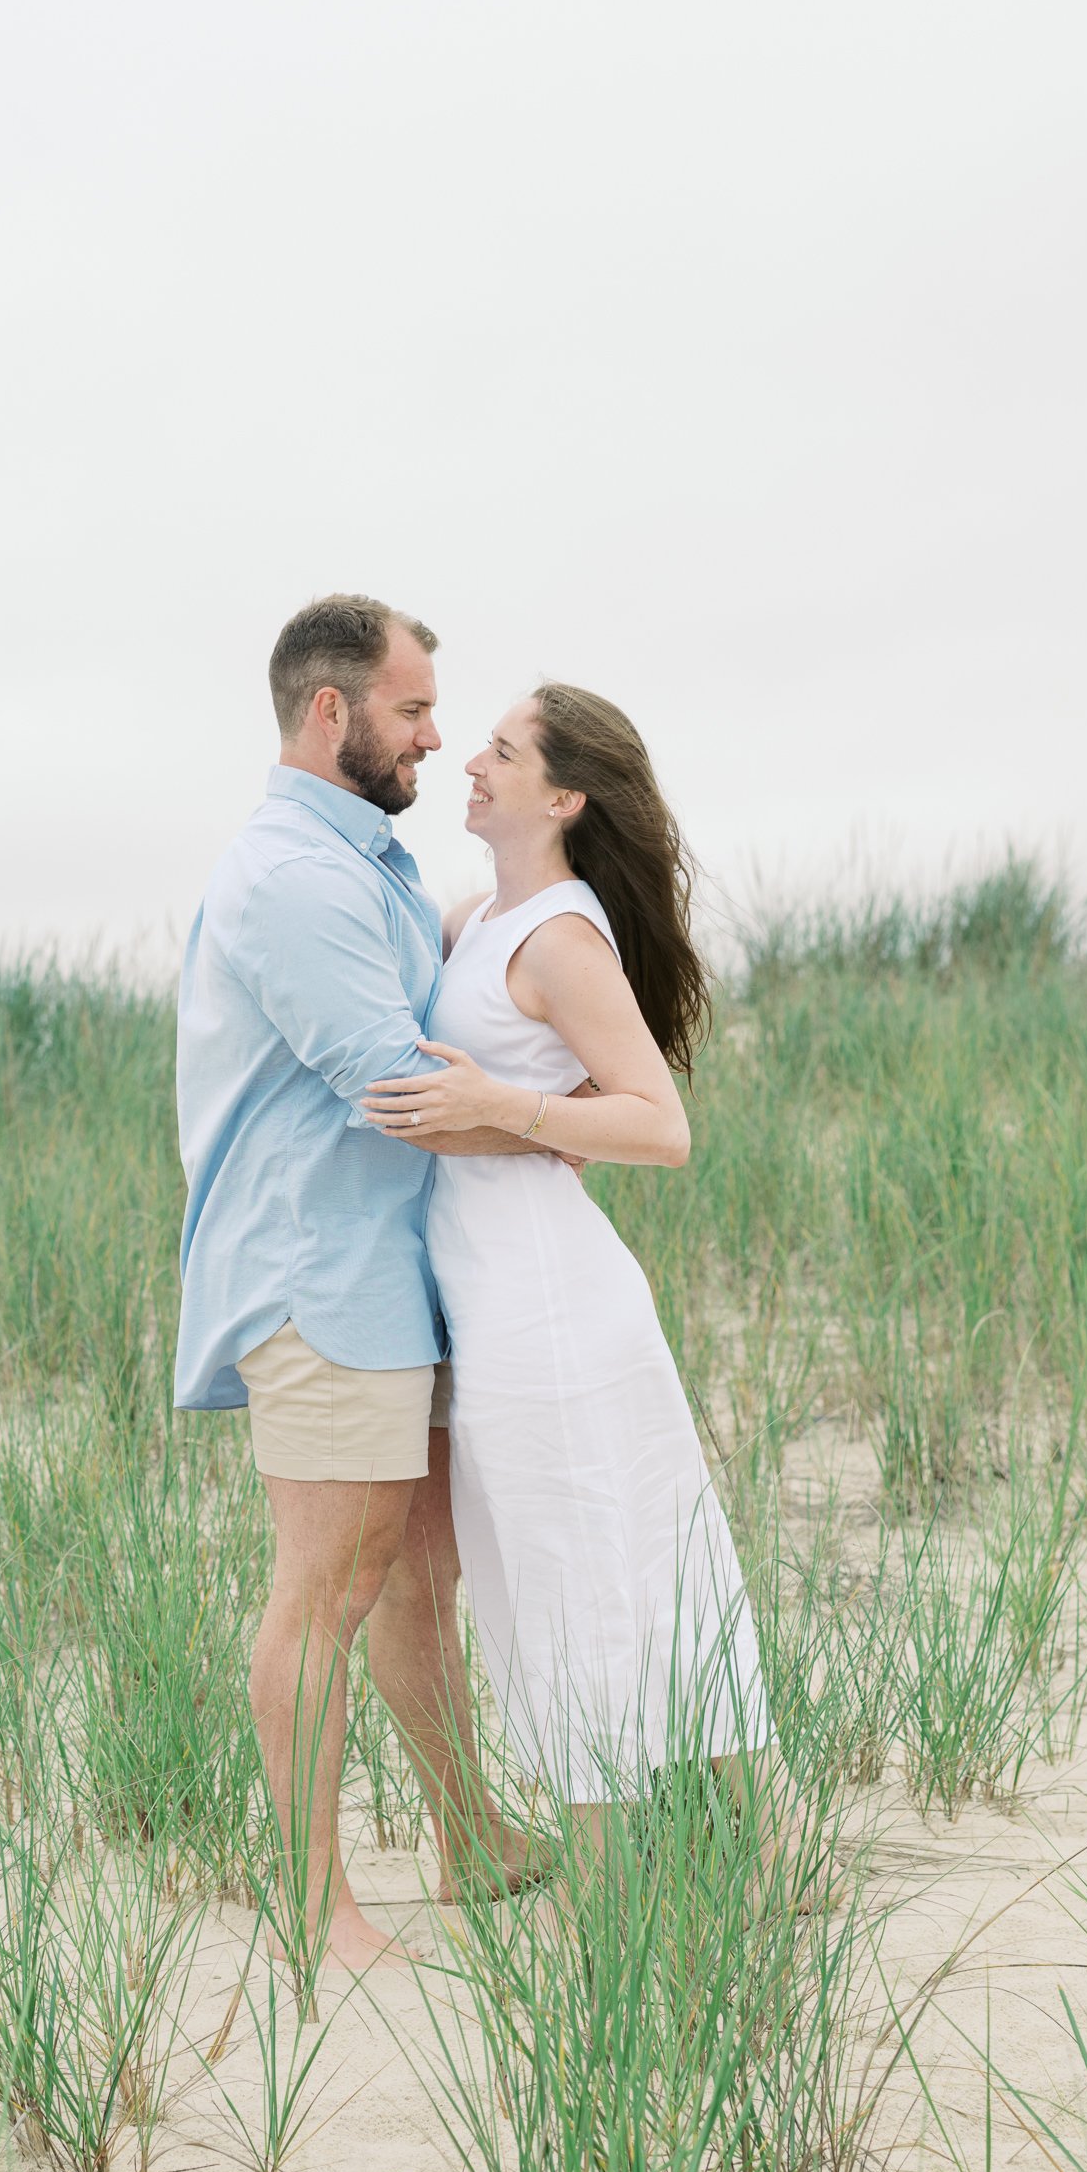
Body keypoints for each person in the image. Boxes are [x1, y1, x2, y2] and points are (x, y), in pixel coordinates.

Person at [174, 594, 542, 1974]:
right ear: (328, 712)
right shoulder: (290, 874)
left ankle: (470, 1835)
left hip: (396, 1266)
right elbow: (389, 1084)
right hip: (315, 1272)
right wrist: (570, 1117)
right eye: (409, 711)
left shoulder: (362, 862)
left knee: (417, 1573)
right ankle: (313, 1909)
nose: (433, 739)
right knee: (326, 1584)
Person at [360, 683, 785, 1855]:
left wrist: (501, 1101)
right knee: (596, 1560)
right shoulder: (472, 920)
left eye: (501, 752)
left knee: (598, 1560)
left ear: (561, 795)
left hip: (549, 1300)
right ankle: (740, 1843)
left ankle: (642, 1868)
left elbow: (660, 1123)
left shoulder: (560, 936)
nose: (472, 764)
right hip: (493, 1298)